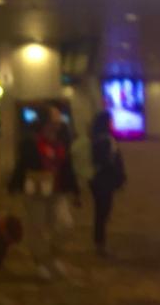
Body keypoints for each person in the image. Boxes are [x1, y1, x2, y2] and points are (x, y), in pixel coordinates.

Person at [9, 106, 80, 279]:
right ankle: (41, 262)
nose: (59, 121)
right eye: (55, 118)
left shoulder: (63, 139)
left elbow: (68, 166)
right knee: (37, 228)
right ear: (45, 121)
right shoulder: (31, 141)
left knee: (65, 225)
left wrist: (75, 190)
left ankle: (53, 256)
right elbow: (21, 165)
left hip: (57, 190)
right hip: (36, 191)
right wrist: (13, 185)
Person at [89, 110, 126, 256]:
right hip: (103, 180)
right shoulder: (105, 140)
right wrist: (118, 176)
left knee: (101, 213)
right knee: (102, 213)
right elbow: (107, 161)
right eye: (111, 120)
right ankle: (100, 244)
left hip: (99, 180)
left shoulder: (97, 138)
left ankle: (99, 243)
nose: (113, 123)